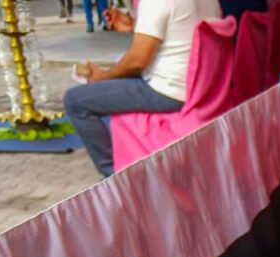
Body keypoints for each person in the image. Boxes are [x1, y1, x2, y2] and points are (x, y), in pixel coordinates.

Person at [63, 0, 222, 177]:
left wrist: (104, 77)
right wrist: (134, 27)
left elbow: (137, 61)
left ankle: (114, 177)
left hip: (168, 91)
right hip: (200, 86)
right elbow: (177, 32)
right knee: (119, 65)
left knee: (75, 101)